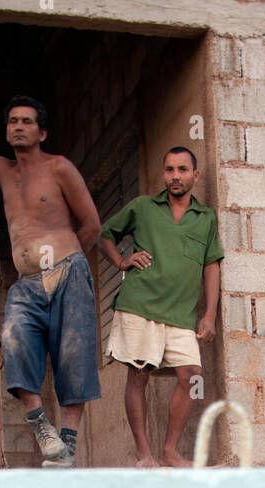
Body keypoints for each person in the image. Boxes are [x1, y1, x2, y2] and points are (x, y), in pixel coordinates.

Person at [0, 63, 102, 467]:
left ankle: (68, 444)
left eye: (27, 122)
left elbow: (92, 224)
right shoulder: (2, 170)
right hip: (26, 284)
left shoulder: (59, 167)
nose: (18, 127)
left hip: (68, 271)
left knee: (73, 357)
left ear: (41, 132)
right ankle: (41, 427)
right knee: (13, 341)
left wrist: (68, 264)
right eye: (12, 121)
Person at [98, 148, 224, 468]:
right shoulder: (143, 207)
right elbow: (105, 236)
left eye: (182, 169)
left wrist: (209, 315)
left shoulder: (205, 217)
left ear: (195, 176)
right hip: (140, 304)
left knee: (191, 374)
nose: (175, 176)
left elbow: (211, 266)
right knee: (139, 374)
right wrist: (123, 262)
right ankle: (144, 454)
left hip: (180, 314)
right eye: (169, 170)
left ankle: (170, 450)